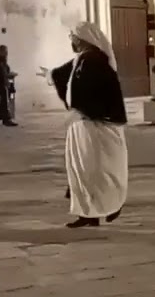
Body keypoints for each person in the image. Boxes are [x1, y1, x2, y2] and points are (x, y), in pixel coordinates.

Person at [45, 21, 128, 228]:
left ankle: (110, 205)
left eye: (72, 36)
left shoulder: (95, 62)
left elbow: (93, 93)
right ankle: (87, 214)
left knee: (99, 170)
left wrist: (82, 109)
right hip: (82, 124)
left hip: (96, 124)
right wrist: (51, 75)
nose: (70, 40)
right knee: (81, 170)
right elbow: (63, 75)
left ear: (81, 39)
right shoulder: (81, 60)